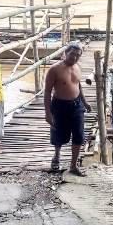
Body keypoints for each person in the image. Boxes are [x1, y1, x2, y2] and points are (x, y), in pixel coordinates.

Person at [44, 43, 92, 176]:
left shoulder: (78, 67)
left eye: (78, 55)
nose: (75, 58)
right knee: (58, 134)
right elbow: (47, 92)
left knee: (79, 135)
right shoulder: (54, 69)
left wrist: (85, 102)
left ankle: (73, 165)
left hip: (77, 106)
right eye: (72, 54)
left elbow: (78, 86)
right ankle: (57, 154)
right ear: (66, 53)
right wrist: (47, 113)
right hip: (59, 106)